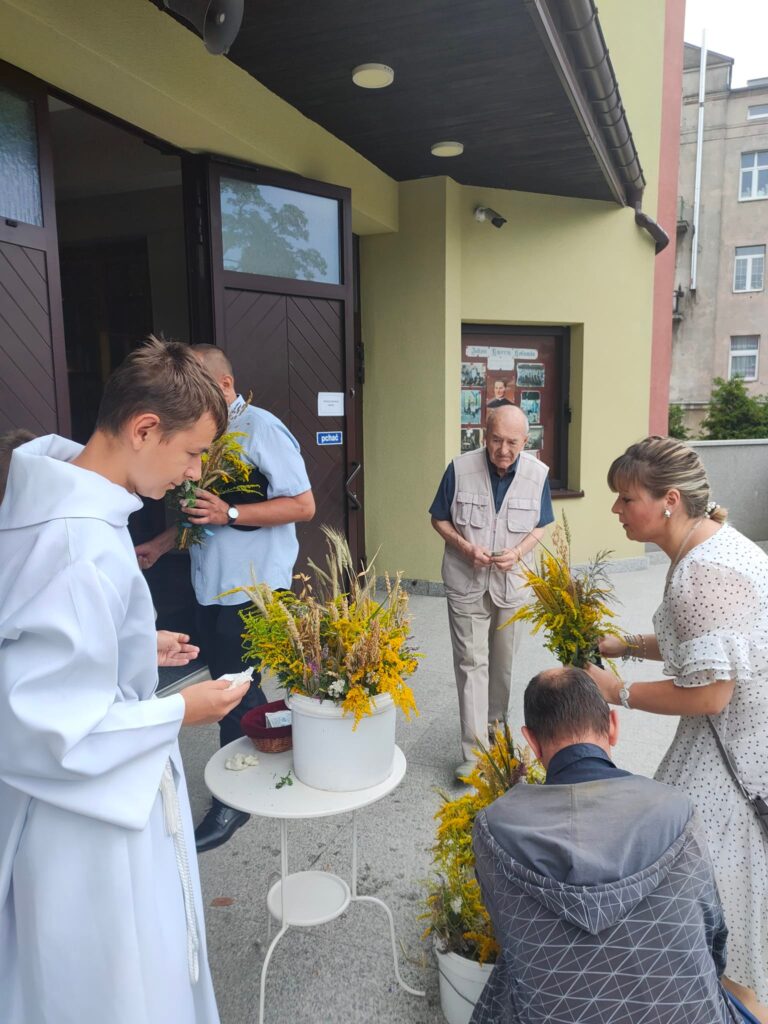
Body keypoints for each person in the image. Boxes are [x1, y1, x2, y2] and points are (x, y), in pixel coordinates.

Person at [0, 338, 251, 1024]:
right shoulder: (76, 541)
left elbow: (51, 642)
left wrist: (134, 642)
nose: (196, 474)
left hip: (87, 800)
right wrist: (179, 712)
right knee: (118, 985)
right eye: (193, 453)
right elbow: (44, 727)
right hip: (85, 826)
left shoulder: (72, 501)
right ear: (143, 429)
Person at [586, 435, 768, 1017]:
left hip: (734, 763)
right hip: (742, 745)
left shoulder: (701, 572)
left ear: (668, 500)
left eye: (626, 498)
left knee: (722, 931)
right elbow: (706, 642)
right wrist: (627, 644)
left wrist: (618, 691)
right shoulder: (710, 545)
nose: (615, 509)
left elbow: (712, 694)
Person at [471, 667, 761, 1024]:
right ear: (613, 725)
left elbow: (510, 936)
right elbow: (713, 939)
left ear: (531, 741)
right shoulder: (676, 812)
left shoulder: (495, 827)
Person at [136, 344, 315, 851]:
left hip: (253, 587)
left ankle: (233, 800)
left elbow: (303, 505)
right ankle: (285, 737)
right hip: (210, 585)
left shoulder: (261, 428)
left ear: (225, 385)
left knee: (234, 685)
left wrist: (231, 514)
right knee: (232, 680)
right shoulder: (203, 433)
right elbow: (202, 515)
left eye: (195, 383)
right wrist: (160, 545)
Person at [429, 405, 554, 779]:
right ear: (484, 436)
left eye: (512, 442)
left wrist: (518, 552)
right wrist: (465, 546)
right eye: (496, 440)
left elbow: (540, 525)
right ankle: (474, 752)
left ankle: (495, 733)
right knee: (471, 662)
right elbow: (439, 518)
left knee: (502, 664)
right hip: (465, 578)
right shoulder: (459, 468)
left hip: (511, 583)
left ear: (525, 441)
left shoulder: (538, 474)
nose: (503, 449)